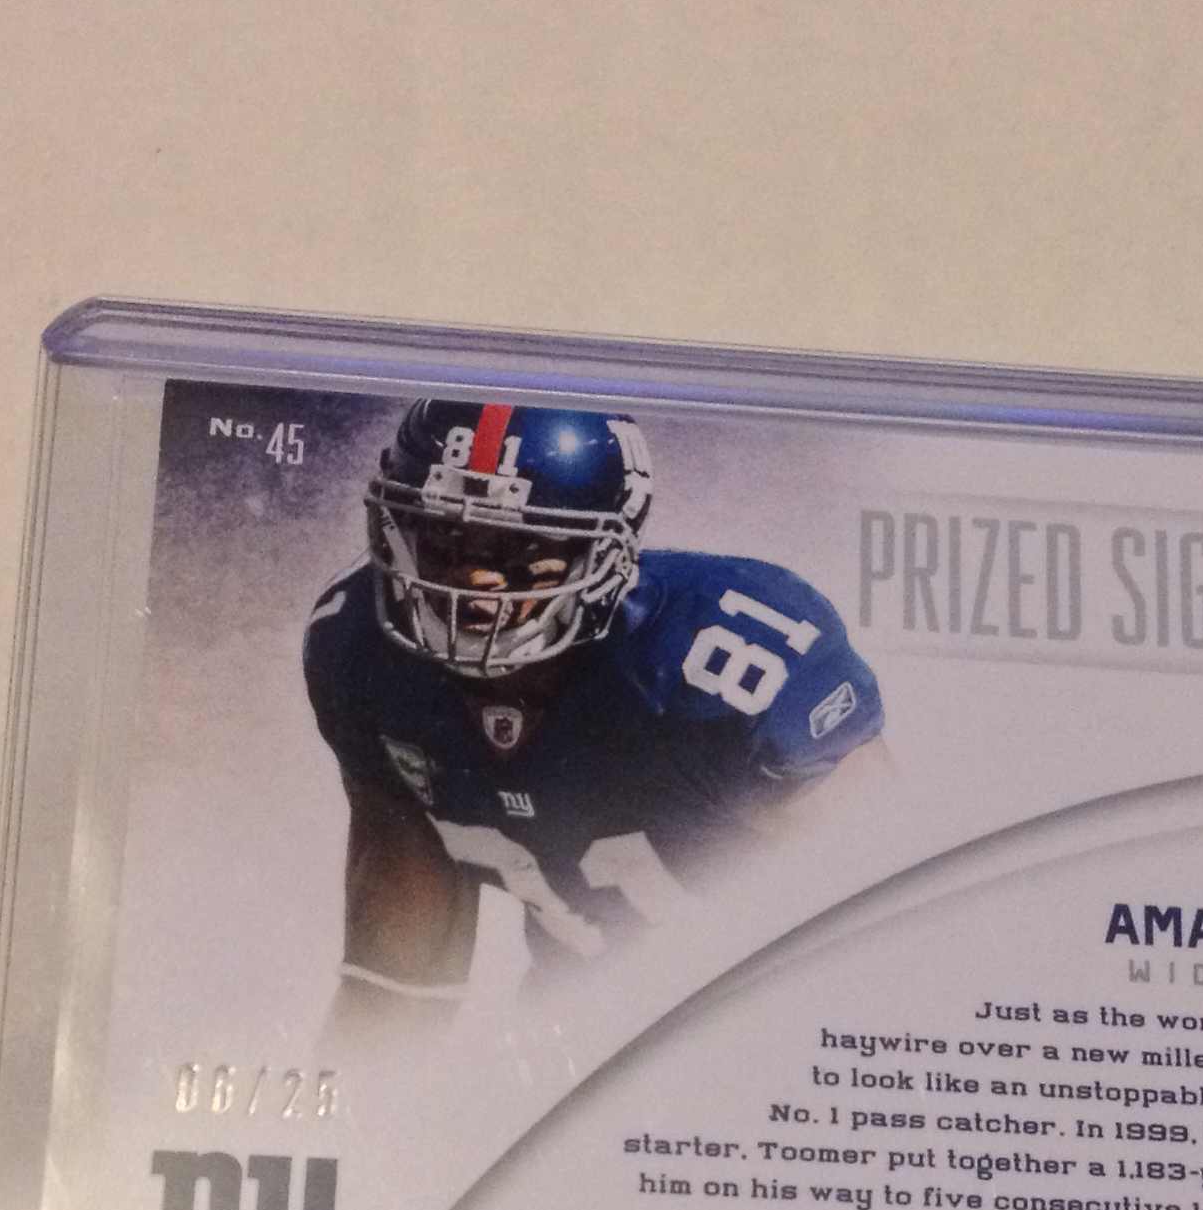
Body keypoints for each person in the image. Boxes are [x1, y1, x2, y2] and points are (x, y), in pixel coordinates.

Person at [304, 398, 884, 1023]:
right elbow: (395, 991)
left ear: (605, 552)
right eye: (445, 534)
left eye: (520, 544)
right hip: (579, 1042)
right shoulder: (361, 651)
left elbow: (888, 911)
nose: (475, 576)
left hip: (768, 1024)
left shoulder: (721, 664)